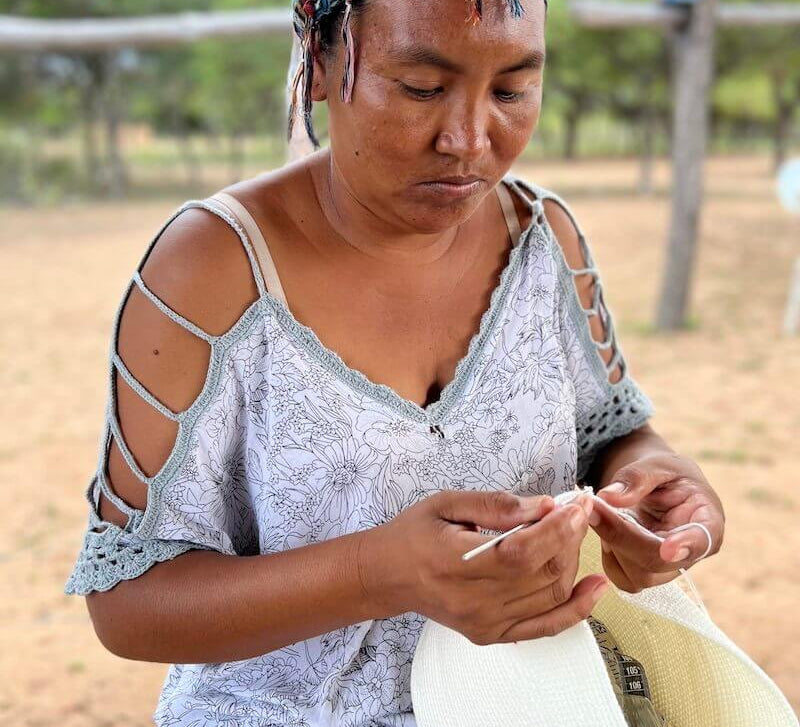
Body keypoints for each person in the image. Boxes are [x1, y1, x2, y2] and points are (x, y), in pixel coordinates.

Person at [64, 0, 726, 725]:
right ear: (321, 62)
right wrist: (380, 573)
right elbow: (127, 601)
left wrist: (660, 486)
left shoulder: (544, 242)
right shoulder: (211, 271)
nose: (469, 139)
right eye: (421, 87)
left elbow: (613, 437)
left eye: (511, 90)